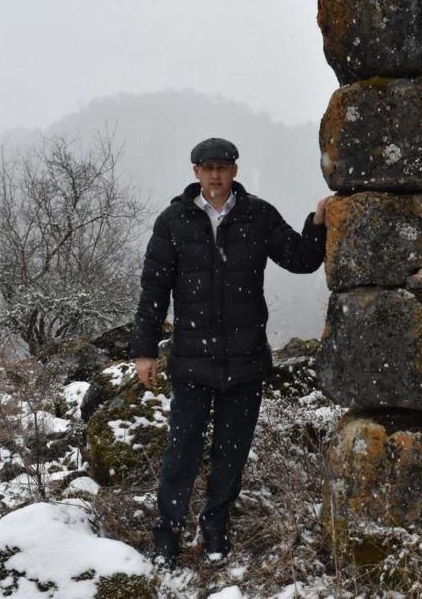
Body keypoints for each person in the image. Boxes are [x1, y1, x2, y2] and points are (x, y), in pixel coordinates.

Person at [130, 136, 330, 568]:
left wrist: (316, 223)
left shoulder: (258, 215)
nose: (216, 175)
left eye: (223, 167)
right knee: (180, 453)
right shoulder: (174, 220)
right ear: (195, 172)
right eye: (208, 168)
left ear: (235, 171)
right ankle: (167, 534)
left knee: (231, 453)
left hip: (245, 360)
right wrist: (144, 350)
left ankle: (215, 529)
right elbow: (154, 290)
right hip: (191, 360)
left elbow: (300, 259)